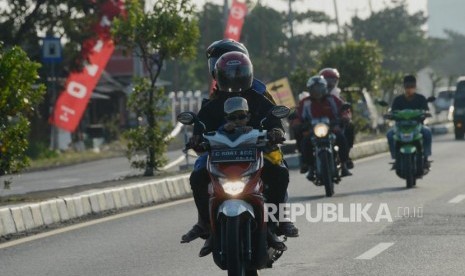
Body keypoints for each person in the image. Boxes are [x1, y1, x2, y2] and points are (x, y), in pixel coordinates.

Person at [181, 51, 298, 257]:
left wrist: (276, 131)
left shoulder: (258, 98)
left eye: (239, 73)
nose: (235, 78)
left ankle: (278, 220)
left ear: (248, 73)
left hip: (256, 153)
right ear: (219, 75)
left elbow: (274, 119)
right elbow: (200, 125)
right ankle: (205, 223)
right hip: (220, 157)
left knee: (280, 172)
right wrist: (197, 138)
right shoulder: (213, 103)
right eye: (230, 74)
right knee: (197, 175)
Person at [299, 75, 353, 181]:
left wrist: (344, 117)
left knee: (341, 138)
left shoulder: (332, 99)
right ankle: (310, 167)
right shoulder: (305, 102)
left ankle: (344, 164)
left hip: (332, 128)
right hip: (313, 130)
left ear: (325, 87)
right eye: (314, 88)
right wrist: (297, 123)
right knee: (305, 142)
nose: (317, 91)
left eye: (319, 87)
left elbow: (344, 110)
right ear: (309, 90)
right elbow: (298, 115)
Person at [386, 74, 432, 169]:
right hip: (400, 127)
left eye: (412, 87)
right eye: (407, 87)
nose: (409, 89)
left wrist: (426, 114)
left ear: (415, 87)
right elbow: (392, 112)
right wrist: (389, 115)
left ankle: (426, 158)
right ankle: (395, 158)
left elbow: (426, 110)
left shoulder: (421, 99)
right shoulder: (398, 100)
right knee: (390, 134)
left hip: (417, 126)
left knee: (427, 133)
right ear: (404, 87)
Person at [319, 68, 355, 168]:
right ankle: (307, 164)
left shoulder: (337, 97)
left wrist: (345, 117)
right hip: (316, 127)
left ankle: (345, 159)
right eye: (327, 80)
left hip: (333, 126)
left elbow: (345, 110)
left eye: (333, 81)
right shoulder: (311, 97)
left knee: (346, 131)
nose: (330, 84)